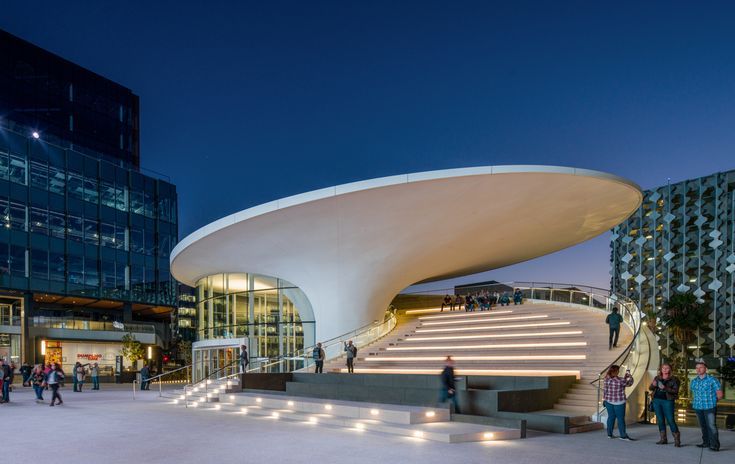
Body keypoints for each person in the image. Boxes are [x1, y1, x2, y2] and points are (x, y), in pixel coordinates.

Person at [690, 359, 723, 452]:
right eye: (697, 368)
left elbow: (720, 394)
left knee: (711, 426)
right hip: (698, 407)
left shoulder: (712, 380)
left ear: (706, 369)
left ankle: (714, 445)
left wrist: (712, 401)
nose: (698, 370)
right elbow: (694, 393)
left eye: (701, 367)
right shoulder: (694, 381)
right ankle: (706, 443)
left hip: (709, 407)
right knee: (703, 426)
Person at [649, 363, 681, 447]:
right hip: (656, 400)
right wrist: (653, 385)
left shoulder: (674, 379)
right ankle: (663, 439)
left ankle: (677, 440)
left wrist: (665, 388)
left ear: (670, 369)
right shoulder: (657, 378)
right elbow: (650, 388)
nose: (665, 369)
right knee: (660, 420)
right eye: (663, 368)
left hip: (668, 401)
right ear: (661, 369)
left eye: (667, 368)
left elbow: (675, 391)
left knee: (670, 419)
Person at [603, 364, 634, 440]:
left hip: (608, 401)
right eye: (618, 370)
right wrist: (629, 376)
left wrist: (604, 399)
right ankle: (623, 436)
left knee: (611, 417)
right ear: (616, 371)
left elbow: (605, 390)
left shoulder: (606, 379)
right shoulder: (620, 380)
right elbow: (630, 383)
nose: (619, 372)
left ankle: (609, 434)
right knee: (620, 419)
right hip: (619, 402)